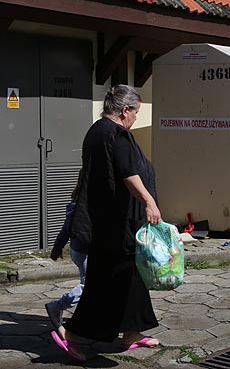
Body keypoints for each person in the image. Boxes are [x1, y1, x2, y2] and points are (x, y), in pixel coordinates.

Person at [50, 85, 161, 362]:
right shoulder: (116, 134)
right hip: (116, 224)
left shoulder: (97, 130)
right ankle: (73, 335)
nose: (136, 117)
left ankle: (133, 332)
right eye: (135, 112)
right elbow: (128, 174)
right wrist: (149, 201)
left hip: (109, 221)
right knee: (106, 284)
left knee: (132, 277)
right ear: (125, 110)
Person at [45, 171, 89, 330]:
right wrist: (57, 248)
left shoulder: (78, 201)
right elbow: (67, 229)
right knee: (88, 286)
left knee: (90, 285)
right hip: (84, 251)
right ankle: (57, 306)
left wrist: (58, 248)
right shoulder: (81, 204)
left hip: (79, 250)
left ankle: (84, 317)